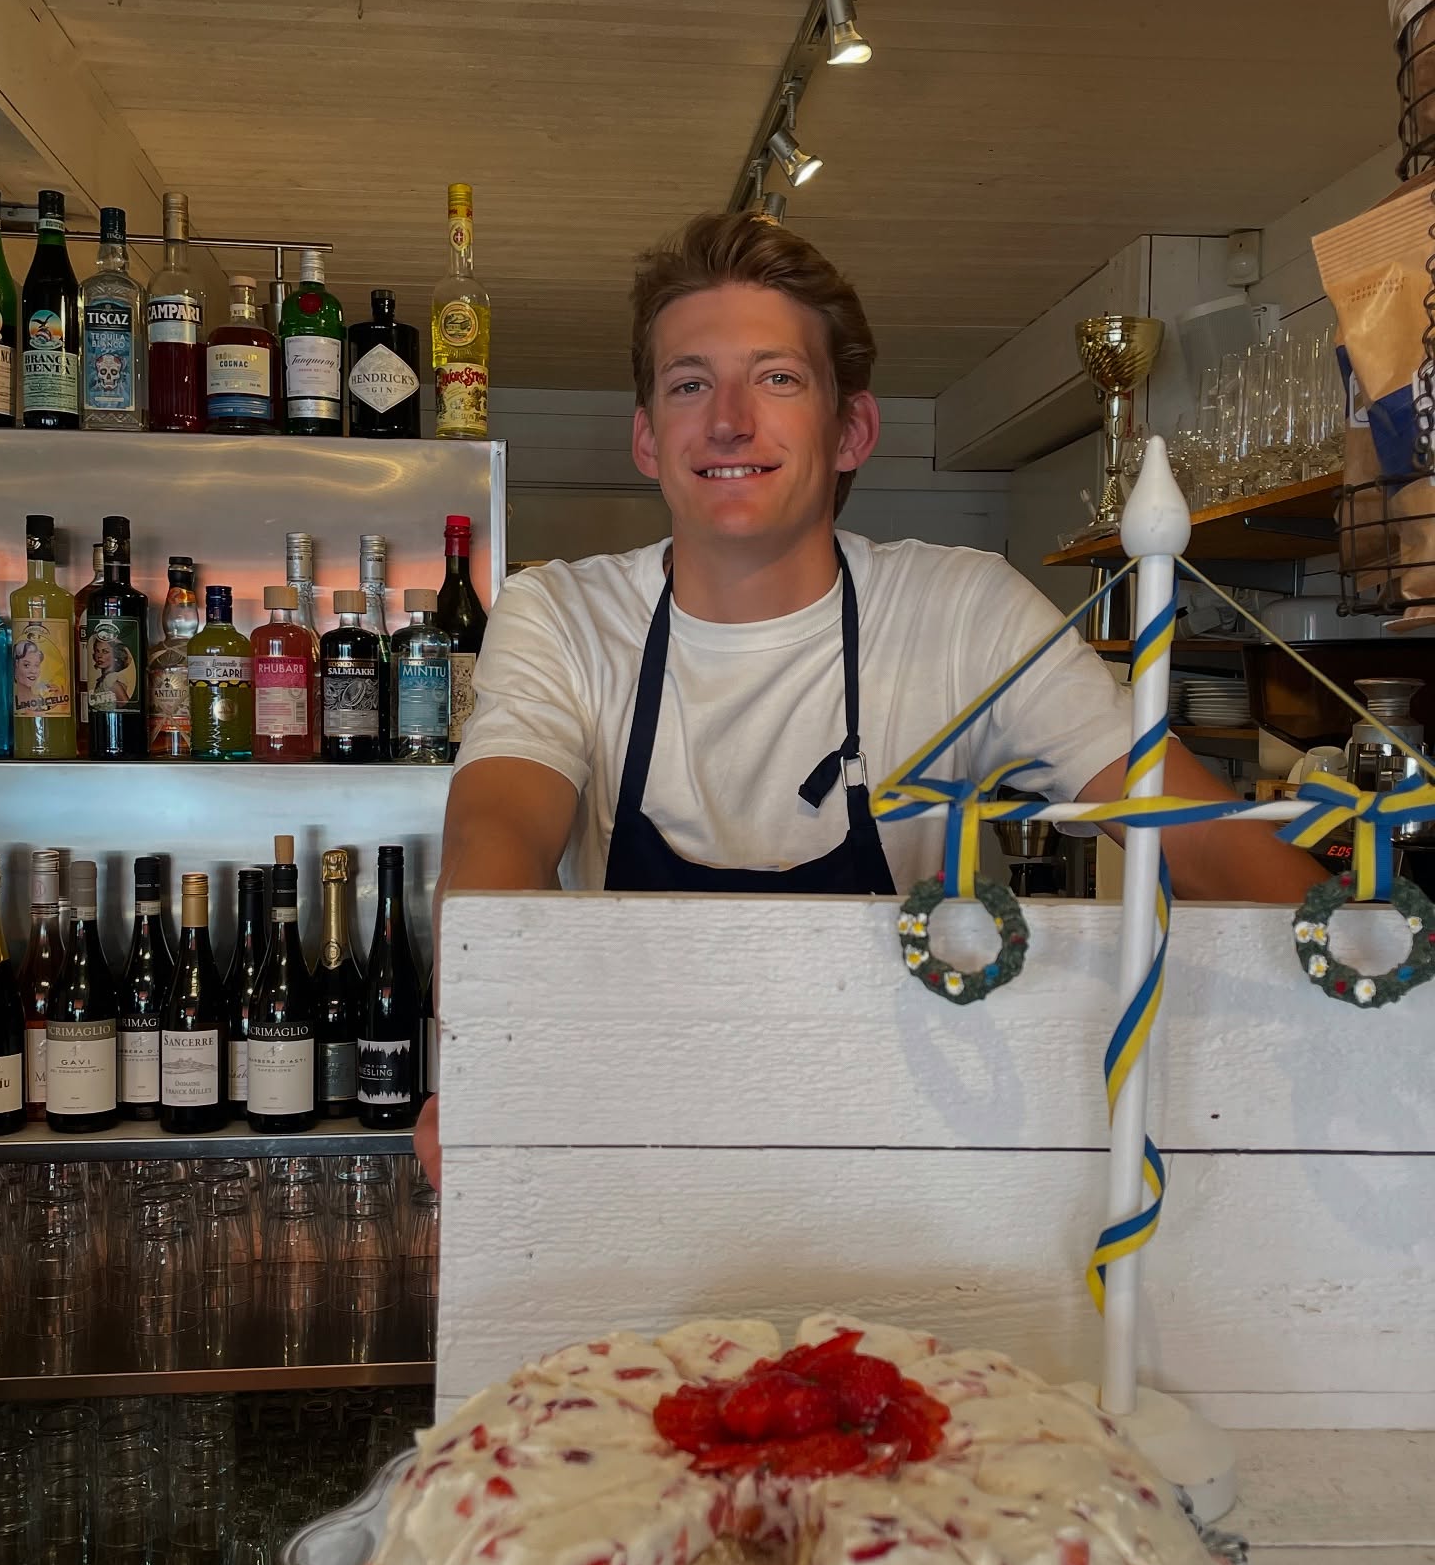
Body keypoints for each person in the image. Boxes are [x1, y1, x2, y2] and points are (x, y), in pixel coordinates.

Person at [415, 211, 1323, 1184]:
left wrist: (1379, 996)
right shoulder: (561, 614)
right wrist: (489, 1053)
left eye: (777, 378)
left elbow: (1205, 841)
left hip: (906, 1160)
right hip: (640, 1150)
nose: (728, 419)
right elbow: (496, 837)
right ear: (647, 437)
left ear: (852, 430)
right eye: (689, 383)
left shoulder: (964, 611)